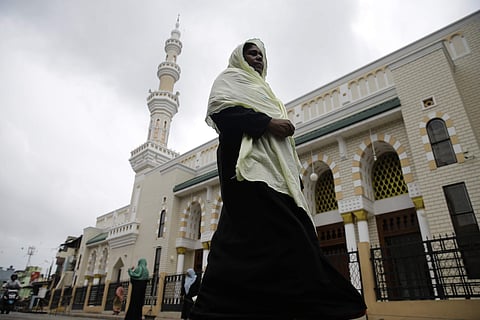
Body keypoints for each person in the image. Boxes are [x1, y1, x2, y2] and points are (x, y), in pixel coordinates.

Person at [190, 39, 367, 319]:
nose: (257, 58)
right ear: (239, 57)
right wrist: (268, 123)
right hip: (247, 171)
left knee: (252, 241)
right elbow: (222, 113)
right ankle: (329, 304)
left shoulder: (267, 93)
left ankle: (234, 307)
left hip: (276, 174)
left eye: (260, 54)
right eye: (251, 53)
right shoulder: (230, 78)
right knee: (282, 232)